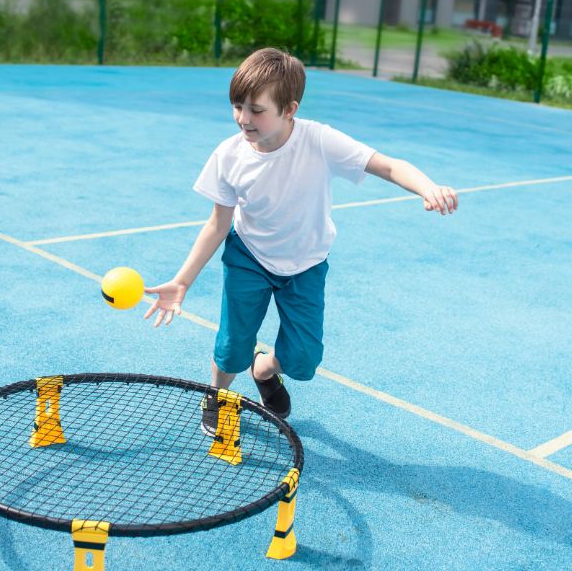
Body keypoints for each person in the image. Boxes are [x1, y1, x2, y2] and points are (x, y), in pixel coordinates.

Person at [143, 48, 458, 436]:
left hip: (306, 263)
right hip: (249, 257)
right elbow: (217, 224)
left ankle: (265, 369)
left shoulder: (319, 141)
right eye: (237, 106)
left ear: (289, 109)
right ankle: (217, 395)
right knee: (232, 345)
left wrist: (428, 186)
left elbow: (388, 165)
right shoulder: (228, 155)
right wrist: (182, 281)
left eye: (256, 110)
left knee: (304, 361)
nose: (244, 118)